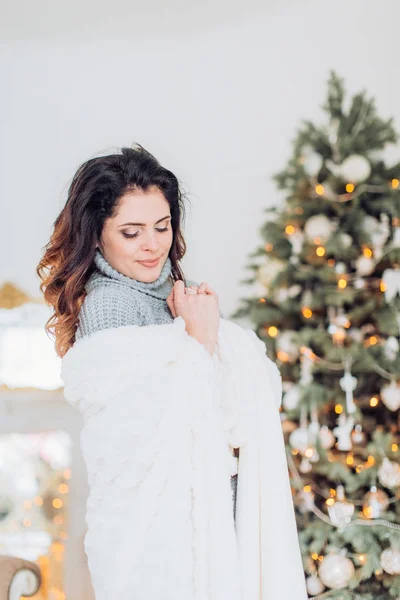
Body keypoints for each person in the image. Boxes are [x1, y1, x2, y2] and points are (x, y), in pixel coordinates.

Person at [37, 144, 307, 599]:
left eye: (162, 226)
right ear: (97, 234)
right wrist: (201, 340)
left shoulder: (173, 290)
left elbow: (227, 414)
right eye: (132, 231)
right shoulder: (110, 305)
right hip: (160, 545)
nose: (153, 245)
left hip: (211, 523)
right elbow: (148, 439)